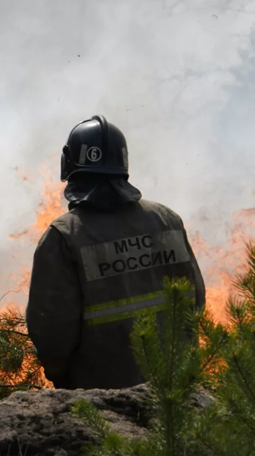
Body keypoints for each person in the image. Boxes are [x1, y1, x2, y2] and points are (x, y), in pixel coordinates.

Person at [25, 115, 206, 390]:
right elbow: (197, 301)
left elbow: (52, 332)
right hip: (178, 396)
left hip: (102, 404)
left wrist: (62, 378)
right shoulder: (167, 220)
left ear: (69, 166)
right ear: (123, 165)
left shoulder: (63, 237)